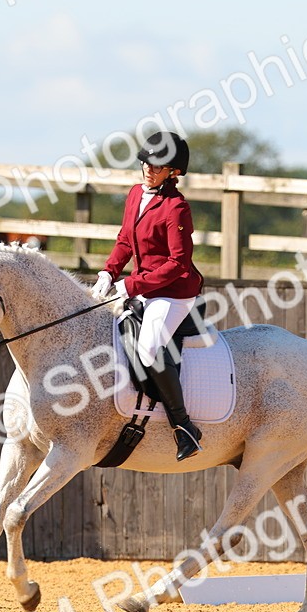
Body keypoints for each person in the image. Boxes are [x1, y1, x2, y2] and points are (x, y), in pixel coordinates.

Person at [92, 131, 204, 461]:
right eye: (146, 163)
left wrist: (130, 285)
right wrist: (109, 271)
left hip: (173, 294)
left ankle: (184, 428)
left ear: (173, 172)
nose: (148, 169)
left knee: (149, 345)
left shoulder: (176, 207)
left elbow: (177, 264)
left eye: (158, 166)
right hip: (143, 287)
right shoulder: (134, 195)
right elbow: (126, 240)